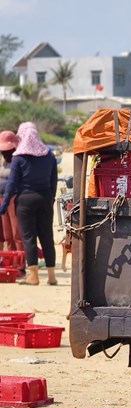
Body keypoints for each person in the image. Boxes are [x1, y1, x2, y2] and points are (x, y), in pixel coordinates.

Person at [0, 122, 59, 286]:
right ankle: (52, 276)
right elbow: (53, 182)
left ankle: (33, 276)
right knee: (47, 237)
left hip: (25, 200)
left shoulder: (19, 158)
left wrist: (4, 205)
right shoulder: (49, 156)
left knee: (29, 238)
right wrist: (50, 199)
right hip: (45, 198)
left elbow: (12, 184)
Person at [0, 130, 24, 255]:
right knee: (7, 234)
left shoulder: (19, 160)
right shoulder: (3, 161)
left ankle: (20, 264)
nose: (4, 154)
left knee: (17, 234)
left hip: (14, 199)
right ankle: (10, 259)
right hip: (2, 199)